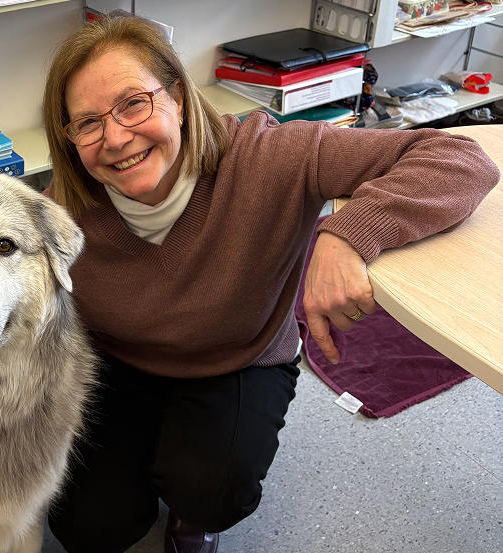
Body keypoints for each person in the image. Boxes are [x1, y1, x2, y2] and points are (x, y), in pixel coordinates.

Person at [40, 16, 498, 553]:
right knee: (89, 526)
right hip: (119, 364)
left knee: (211, 490)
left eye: (134, 103)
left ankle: (193, 520)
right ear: (69, 139)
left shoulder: (269, 157)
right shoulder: (59, 209)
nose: (115, 138)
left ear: (180, 99)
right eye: (87, 123)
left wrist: (348, 235)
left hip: (239, 354)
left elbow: (459, 159)